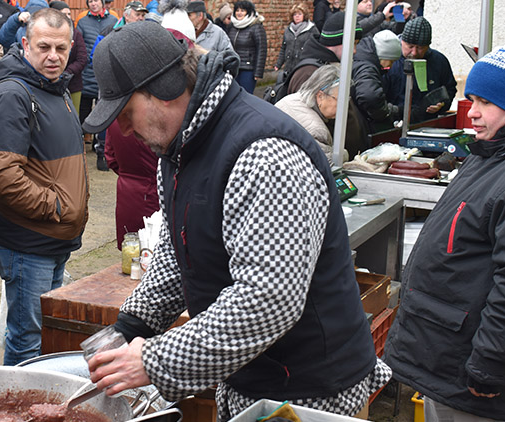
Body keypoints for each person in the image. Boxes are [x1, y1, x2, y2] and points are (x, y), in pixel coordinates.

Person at [82, 21, 390, 421]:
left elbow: (268, 300)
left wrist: (155, 360)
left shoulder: (265, 155)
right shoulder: (179, 152)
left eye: (125, 112)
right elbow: (179, 254)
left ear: (169, 88)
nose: (122, 129)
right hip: (246, 376)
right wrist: (130, 326)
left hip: (309, 391)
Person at [384, 45, 505, 422]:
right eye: (471, 99)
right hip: (444, 355)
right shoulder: (487, 156)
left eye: (487, 102)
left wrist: (488, 364)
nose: (473, 112)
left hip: (470, 374)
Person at [0, 7, 89, 366]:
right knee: (27, 339)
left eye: (61, 49)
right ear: (25, 43)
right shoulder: (14, 93)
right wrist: (57, 207)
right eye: (44, 47)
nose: (53, 57)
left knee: (44, 337)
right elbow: (2, 175)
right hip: (29, 241)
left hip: (53, 238)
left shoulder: (54, 89)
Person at [286, 12, 369, 156]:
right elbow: (305, 122)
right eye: (353, 44)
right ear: (337, 42)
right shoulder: (309, 73)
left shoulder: (331, 67)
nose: (355, 51)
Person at [383, 16, 456, 124]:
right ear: (402, 41)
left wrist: (441, 105)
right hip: (392, 122)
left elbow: (450, 89)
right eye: (410, 46)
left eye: (420, 48)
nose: (414, 52)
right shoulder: (389, 60)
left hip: (426, 123)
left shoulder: (439, 61)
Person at [104, 119, 159, 250]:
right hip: (153, 192)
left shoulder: (115, 119)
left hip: (127, 190)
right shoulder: (156, 118)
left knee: (130, 252)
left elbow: (110, 157)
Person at [276, 64, 346, 165]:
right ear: (320, 96)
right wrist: (344, 154)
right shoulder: (316, 130)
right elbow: (328, 164)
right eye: (340, 100)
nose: (344, 106)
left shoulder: (291, 99)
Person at [76, 0, 116, 169]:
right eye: (90, 1)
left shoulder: (113, 21)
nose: (93, 4)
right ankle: (85, 140)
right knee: (84, 107)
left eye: (96, 0)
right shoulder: (83, 21)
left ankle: (98, 144)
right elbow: (80, 44)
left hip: (105, 72)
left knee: (101, 108)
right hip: (87, 71)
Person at [351, 29, 401, 133]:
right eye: (391, 61)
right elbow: (369, 96)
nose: (390, 66)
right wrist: (387, 111)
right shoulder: (367, 67)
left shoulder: (363, 59)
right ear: (383, 56)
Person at [49, 0, 86, 114]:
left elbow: (82, 59)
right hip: (51, 84)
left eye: (69, 14)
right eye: (64, 14)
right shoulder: (47, 33)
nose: (68, 17)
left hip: (73, 85)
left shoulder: (76, 34)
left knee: (73, 115)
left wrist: (66, 73)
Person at [226, 0, 266, 94]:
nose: (239, 13)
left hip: (248, 69)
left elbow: (262, 49)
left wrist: (258, 72)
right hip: (234, 67)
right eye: (237, 10)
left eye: (242, 10)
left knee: (245, 95)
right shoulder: (232, 26)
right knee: (232, 95)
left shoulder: (256, 27)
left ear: (248, 12)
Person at [274, 3, 318, 77]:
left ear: (304, 15)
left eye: (299, 14)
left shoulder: (311, 29)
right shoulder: (288, 30)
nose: (297, 16)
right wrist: (278, 64)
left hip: (303, 68)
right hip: (288, 68)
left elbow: (316, 49)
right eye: (295, 14)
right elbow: (284, 48)